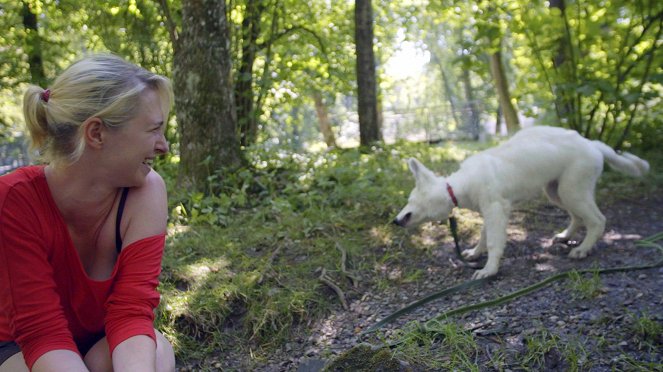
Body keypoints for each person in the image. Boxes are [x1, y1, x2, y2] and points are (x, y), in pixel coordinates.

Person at [0, 54, 176, 371]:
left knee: (157, 355)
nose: (163, 146)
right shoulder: (14, 199)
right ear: (96, 133)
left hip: (100, 339)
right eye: (153, 130)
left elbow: (131, 310)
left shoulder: (146, 191)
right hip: (21, 347)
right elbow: (41, 333)